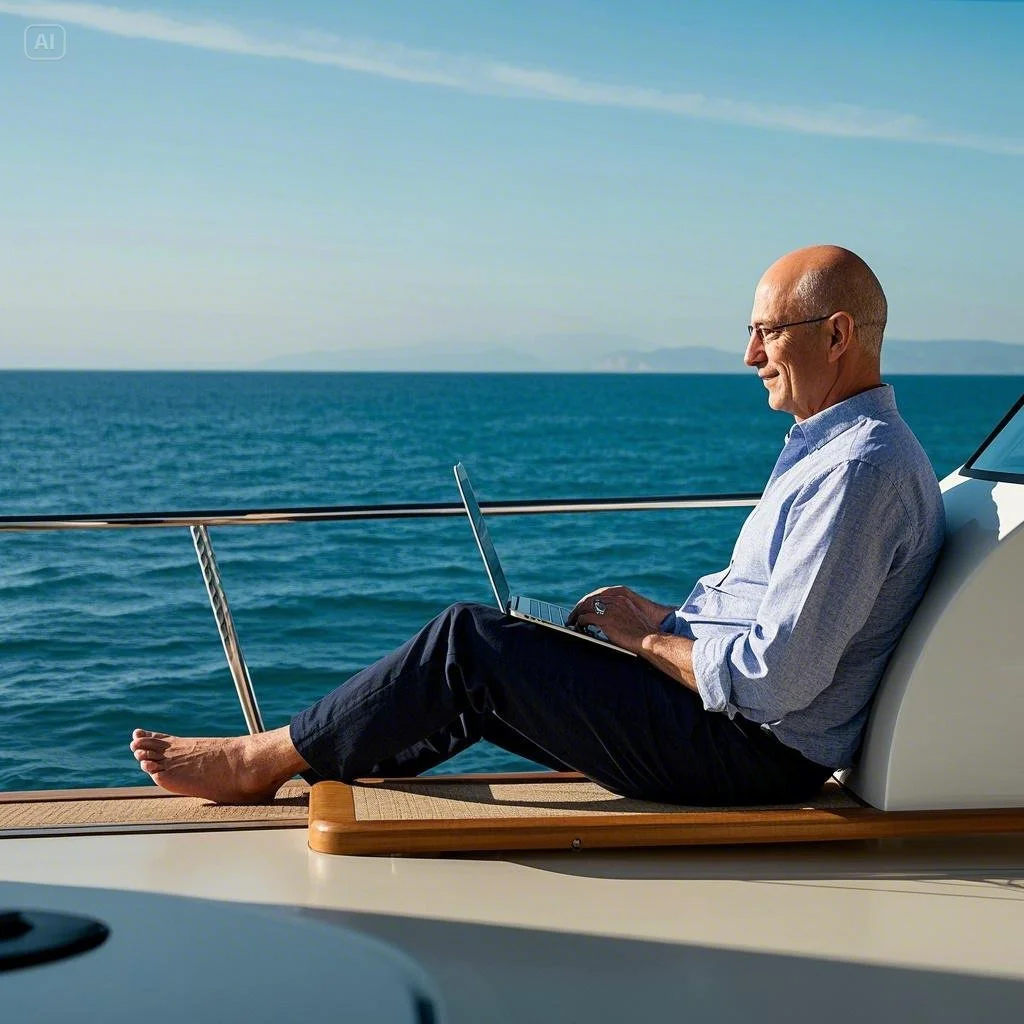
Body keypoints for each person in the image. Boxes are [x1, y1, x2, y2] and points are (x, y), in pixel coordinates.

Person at [129, 245, 945, 806]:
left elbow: (775, 683)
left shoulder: (859, 470)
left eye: (766, 332)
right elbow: (775, 629)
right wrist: (665, 620)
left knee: (470, 644)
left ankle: (260, 760)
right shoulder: (835, 452)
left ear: (836, 335)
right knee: (496, 661)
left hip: (750, 753)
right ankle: (331, 764)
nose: (750, 355)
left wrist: (644, 643)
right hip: (733, 727)